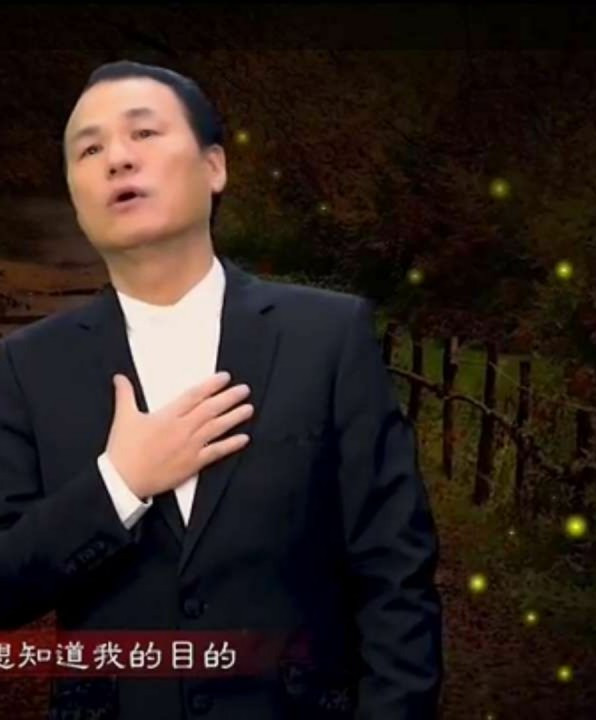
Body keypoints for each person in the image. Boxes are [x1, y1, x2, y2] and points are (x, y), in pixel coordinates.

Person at [0, 60, 443, 719]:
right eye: (89, 150)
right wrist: (119, 485)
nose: (117, 158)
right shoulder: (26, 366)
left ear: (214, 167)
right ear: (76, 196)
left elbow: (395, 578)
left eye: (143, 133)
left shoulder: (326, 336)